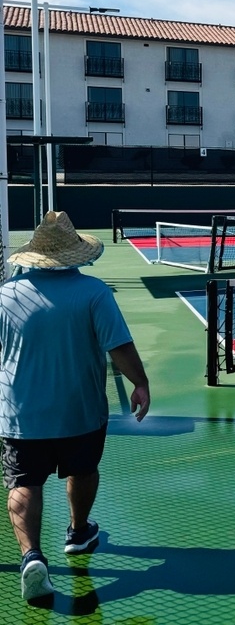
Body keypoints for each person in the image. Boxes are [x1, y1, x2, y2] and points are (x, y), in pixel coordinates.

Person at [0, 211, 150, 602]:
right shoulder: (94, 293)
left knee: (23, 483)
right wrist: (140, 383)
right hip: (80, 412)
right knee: (82, 469)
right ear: (76, 254)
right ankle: (78, 532)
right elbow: (118, 345)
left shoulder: (6, 295)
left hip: (20, 415)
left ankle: (32, 557)